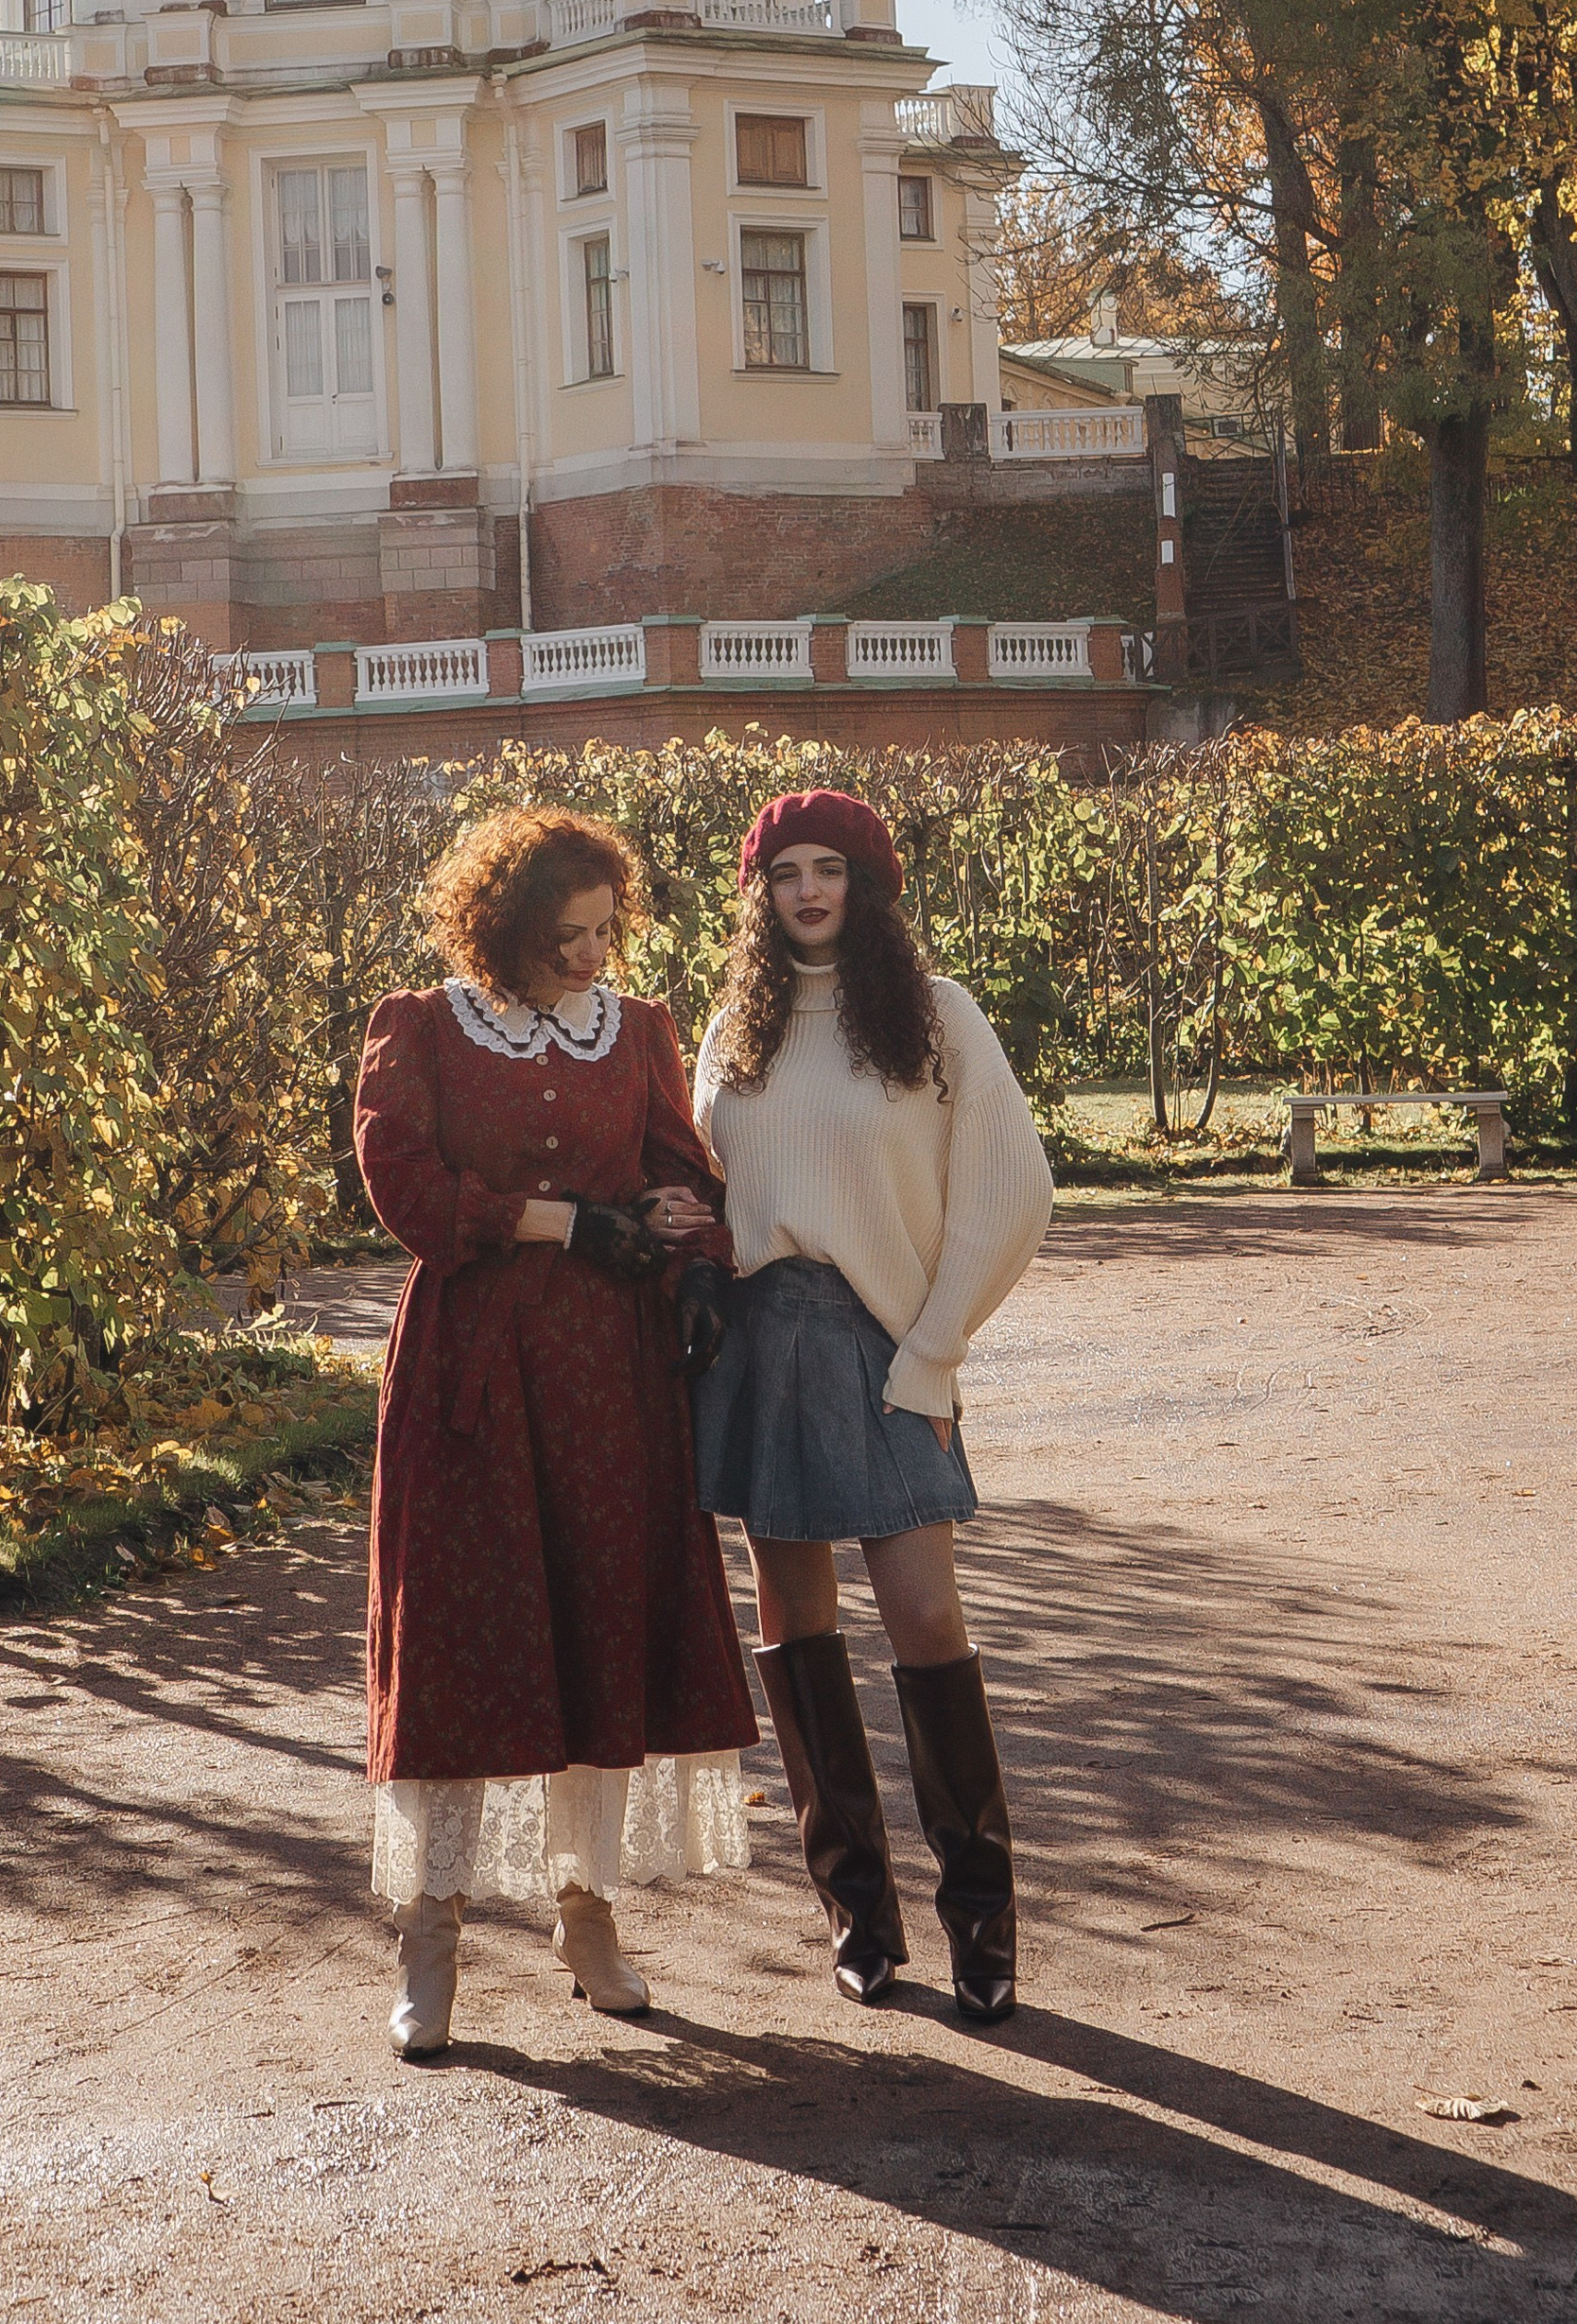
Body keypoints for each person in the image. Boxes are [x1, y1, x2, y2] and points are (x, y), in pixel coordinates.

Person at [355, 805, 755, 2060]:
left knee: (597, 1631)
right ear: (502, 928)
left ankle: (589, 1922)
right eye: (565, 936)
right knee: (462, 1639)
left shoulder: (634, 1030)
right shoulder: (418, 1029)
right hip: (471, 1368)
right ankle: (432, 1939)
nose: (591, 957)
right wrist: (559, 1223)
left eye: (603, 931)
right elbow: (405, 1189)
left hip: (604, 1378)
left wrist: (691, 1246)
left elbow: (679, 1171)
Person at [687, 787, 1053, 2020]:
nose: (805, 890)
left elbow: (1014, 1189)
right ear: (759, 893)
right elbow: (708, 1182)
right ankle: (857, 1911)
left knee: (924, 1615)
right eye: (783, 870)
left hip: (887, 1346)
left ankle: (983, 1923)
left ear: (867, 883)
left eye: (827, 867)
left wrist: (936, 1354)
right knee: (794, 1621)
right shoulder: (734, 1029)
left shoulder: (935, 1018)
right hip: (759, 1346)